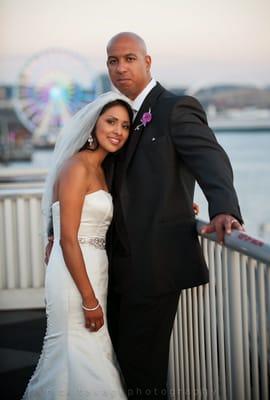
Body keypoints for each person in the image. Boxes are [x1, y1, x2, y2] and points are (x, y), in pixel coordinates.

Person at [104, 32, 244, 399]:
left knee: (144, 371)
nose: (120, 68)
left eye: (129, 59)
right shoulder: (112, 115)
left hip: (156, 264)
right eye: (112, 61)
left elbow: (211, 159)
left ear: (148, 62)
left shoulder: (175, 107)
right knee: (120, 362)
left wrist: (224, 208)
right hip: (113, 265)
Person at [22, 92, 133, 400]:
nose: (118, 132)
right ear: (92, 124)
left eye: (124, 126)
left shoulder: (102, 169)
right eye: (111, 121)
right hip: (74, 276)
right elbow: (68, 238)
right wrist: (89, 300)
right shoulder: (77, 167)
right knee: (79, 353)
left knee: (87, 353)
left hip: (94, 270)